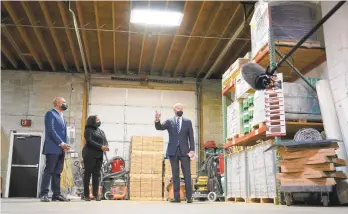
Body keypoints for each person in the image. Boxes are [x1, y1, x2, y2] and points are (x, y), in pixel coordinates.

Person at [155, 103, 195, 203]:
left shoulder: (188, 122)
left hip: (185, 152)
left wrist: (192, 150)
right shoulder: (169, 121)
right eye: (178, 108)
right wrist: (157, 120)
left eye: (181, 108)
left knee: (187, 174)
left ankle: (189, 197)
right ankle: (177, 198)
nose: (180, 109)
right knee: (175, 175)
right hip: (173, 151)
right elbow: (159, 127)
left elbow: (191, 137)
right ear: (174, 110)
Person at [40, 97, 70, 202]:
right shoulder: (50, 114)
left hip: (61, 149)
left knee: (58, 172)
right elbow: (50, 131)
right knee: (49, 171)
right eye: (63, 102)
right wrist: (61, 143)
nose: (65, 104)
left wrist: (66, 145)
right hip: (53, 148)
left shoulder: (62, 116)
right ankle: (44, 194)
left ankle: (56, 194)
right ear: (57, 103)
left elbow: (64, 133)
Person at [82, 115, 109, 201]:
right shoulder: (88, 130)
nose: (99, 121)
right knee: (87, 174)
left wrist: (106, 146)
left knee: (96, 175)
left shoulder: (101, 131)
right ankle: (86, 195)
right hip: (89, 154)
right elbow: (89, 141)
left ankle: (95, 194)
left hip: (99, 155)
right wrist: (101, 146)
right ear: (92, 121)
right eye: (97, 119)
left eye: (99, 119)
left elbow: (105, 140)